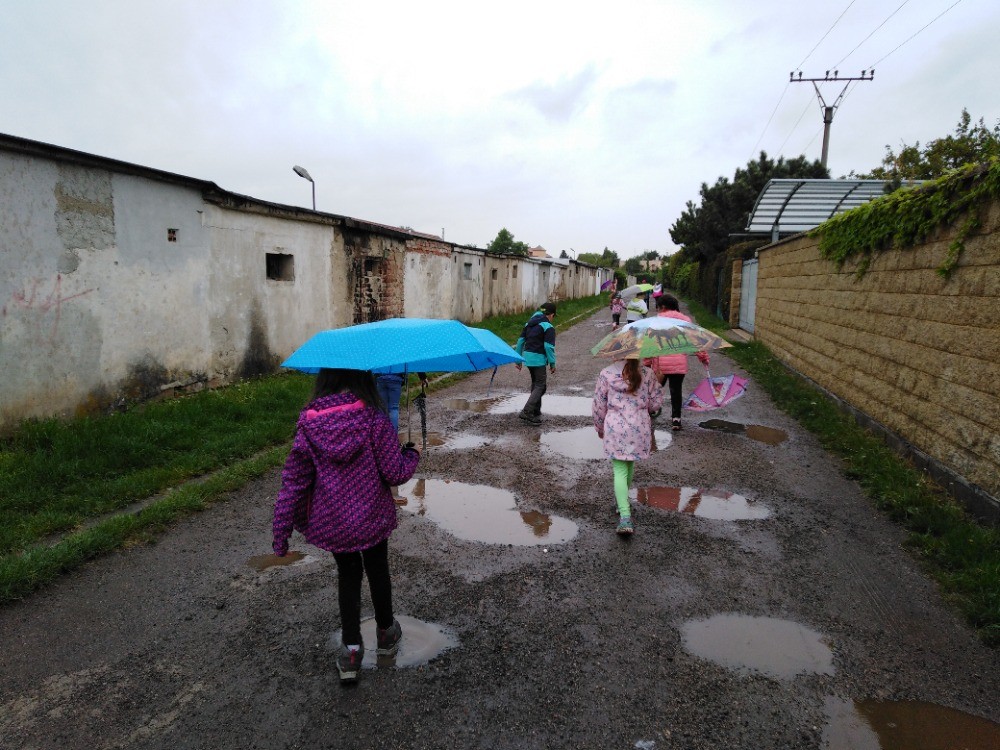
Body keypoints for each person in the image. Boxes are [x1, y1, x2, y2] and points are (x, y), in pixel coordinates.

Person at [272, 368, 421, 684]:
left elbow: (294, 481)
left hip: (334, 522)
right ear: (364, 377)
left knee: (348, 574)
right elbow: (394, 473)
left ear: (325, 378)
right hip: (372, 518)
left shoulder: (309, 424)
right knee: (378, 569)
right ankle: (386, 632)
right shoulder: (374, 418)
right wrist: (411, 455)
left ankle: (351, 651)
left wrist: (280, 534)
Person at [592, 357, 663, 535]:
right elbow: (655, 404)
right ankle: (622, 502)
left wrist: (599, 427)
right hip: (639, 427)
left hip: (615, 428)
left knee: (619, 470)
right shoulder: (648, 373)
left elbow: (599, 405)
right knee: (629, 463)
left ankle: (625, 516)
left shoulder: (606, 373)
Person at [644, 294, 709, 431]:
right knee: (676, 391)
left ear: (663, 307)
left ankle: (649, 412)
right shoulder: (685, 321)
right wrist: (703, 357)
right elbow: (695, 341)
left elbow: (650, 345)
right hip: (679, 363)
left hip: (660, 365)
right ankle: (676, 419)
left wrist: (647, 362)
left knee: (654, 389)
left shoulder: (656, 322)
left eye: (658, 307)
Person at [514, 301, 557, 425]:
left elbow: (520, 341)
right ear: (551, 315)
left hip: (528, 358)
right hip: (538, 359)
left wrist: (518, 359)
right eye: (553, 316)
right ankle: (527, 411)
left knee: (536, 383)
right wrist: (552, 363)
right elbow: (548, 346)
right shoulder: (548, 326)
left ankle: (535, 410)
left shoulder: (529, 324)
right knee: (540, 385)